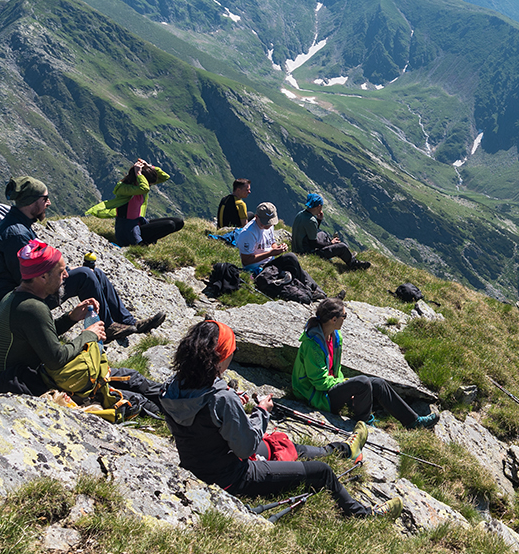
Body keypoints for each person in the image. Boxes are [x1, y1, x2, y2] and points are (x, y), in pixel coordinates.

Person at [160, 318, 399, 516]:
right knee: (321, 472)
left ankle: (345, 449)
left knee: (280, 444)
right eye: (232, 351)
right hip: (234, 477)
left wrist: (232, 405)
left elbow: (206, 424)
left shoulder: (172, 387)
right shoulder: (221, 399)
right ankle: (363, 515)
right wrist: (262, 412)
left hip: (197, 466)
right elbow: (245, 448)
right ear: (221, 357)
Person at [0, 240, 163, 412]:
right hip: (39, 382)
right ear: (42, 277)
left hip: (37, 374)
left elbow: (39, 335)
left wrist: (71, 318)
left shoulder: (16, 297)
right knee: (134, 397)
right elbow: (56, 358)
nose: (66, 276)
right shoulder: (33, 308)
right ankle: (173, 406)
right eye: (61, 272)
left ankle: (171, 395)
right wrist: (89, 334)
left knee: (131, 377)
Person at [0, 176, 164, 338]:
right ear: (31, 202)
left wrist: (65, 272)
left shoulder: (17, 224)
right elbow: (27, 279)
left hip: (21, 291)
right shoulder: (16, 234)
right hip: (17, 302)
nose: (49, 203)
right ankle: (107, 328)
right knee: (85, 276)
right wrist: (64, 275)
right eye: (45, 198)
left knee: (95, 272)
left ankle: (129, 322)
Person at [291, 298, 439, 429]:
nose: (345, 319)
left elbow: (335, 370)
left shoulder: (335, 336)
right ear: (333, 320)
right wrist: (346, 385)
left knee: (378, 384)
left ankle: (412, 422)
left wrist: (346, 387)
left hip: (328, 389)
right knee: (362, 383)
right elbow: (320, 382)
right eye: (344, 316)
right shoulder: (312, 345)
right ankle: (363, 419)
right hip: (315, 395)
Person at [87, 159, 185, 247]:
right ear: (138, 179)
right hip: (127, 230)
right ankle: (143, 243)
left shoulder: (140, 186)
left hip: (139, 223)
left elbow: (165, 177)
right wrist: (138, 173)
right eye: (148, 182)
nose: (149, 186)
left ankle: (146, 239)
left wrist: (150, 167)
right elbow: (144, 188)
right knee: (170, 225)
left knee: (179, 222)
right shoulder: (123, 188)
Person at [236, 202, 323, 293]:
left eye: (270, 222)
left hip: (270, 262)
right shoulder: (248, 233)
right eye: (265, 223)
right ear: (256, 217)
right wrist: (271, 253)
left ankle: (315, 290)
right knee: (290, 258)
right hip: (257, 268)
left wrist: (278, 248)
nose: (268, 225)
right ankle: (312, 290)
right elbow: (246, 260)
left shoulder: (268, 225)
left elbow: (271, 242)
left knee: (294, 265)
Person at [291, 193, 369, 269]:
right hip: (306, 253)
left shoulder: (301, 214)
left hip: (297, 248)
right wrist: (330, 243)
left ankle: (332, 253)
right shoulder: (311, 220)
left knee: (322, 234)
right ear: (319, 206)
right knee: (342, 246)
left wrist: (319, 220)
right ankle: (353, 264)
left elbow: (311, 232)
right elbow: (313, 244)